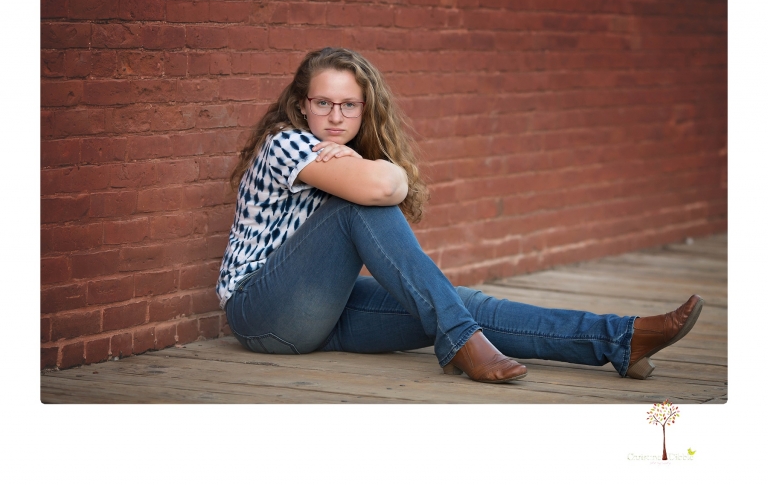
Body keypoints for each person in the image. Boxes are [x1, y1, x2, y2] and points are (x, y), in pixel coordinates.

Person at [217, 47, 704, 384]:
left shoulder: (344, 153)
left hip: (323, 314)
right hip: (262, 312)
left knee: (460, 303)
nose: (336, 116)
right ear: (303, 106)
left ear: (366, 110)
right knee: (356, 208)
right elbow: (383, 187)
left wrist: (379, 174)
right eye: (323, 103)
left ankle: (619, 339)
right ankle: (461, 342)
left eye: (349, 105)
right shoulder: (287, 142)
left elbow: (388, 184)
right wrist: (382, 175)